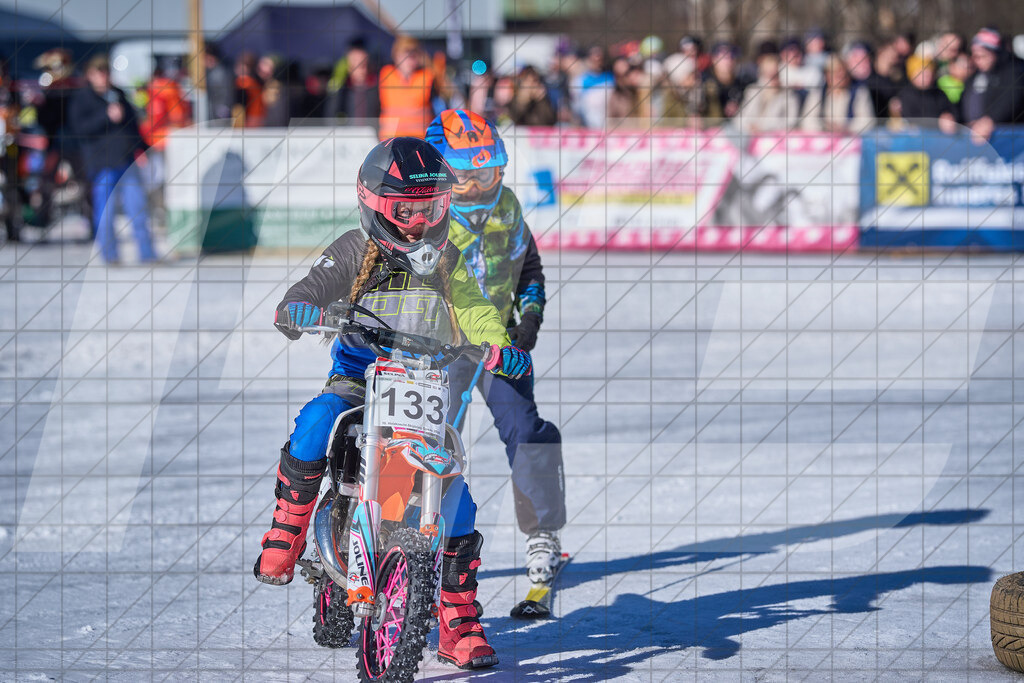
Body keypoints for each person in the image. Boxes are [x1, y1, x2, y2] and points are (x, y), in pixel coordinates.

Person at [253, 136, 531, 670]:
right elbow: (313, 285)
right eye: (406, 210)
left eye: (431, 208)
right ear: (375, 204)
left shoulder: (447, 260)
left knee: (456, 498)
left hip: (422, 387)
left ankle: (457, 618)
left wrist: (499, 346)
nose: (419, 222)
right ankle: (287, 529)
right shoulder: (355, 249)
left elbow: (475, 311)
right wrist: (300, 308)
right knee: (316, 420)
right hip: (360, 379)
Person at [425, 110, 567, 585]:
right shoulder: (427, 214)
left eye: (487, 174)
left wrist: (529, 319)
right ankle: (413, 536)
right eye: (466, 178)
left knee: (526, 429)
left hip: (497, 343)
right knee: (429, 440)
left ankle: (543, 530)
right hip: (438, 347)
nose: (479, 187)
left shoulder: (506, 207)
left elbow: (529, 270)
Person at [70, 55, 155, 264]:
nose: (103, 76)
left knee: (138, 208)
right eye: (98, 72)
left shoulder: (117, 94)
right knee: (106, 212)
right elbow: (80, 130)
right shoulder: (82, 98)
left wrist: (144, 149)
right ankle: (110, 255)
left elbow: (132, 126)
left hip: (126, 160)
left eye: (106, 72)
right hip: (102, 163)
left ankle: (147, 253)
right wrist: (106, 117)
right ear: (90, 75)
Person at [962, 28, 1024, 142]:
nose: (978, 60)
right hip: (974, 138)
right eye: (975, 56)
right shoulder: (974, 75)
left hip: (1007, 140)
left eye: (983, 56)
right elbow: (962, 100)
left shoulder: (1013, 71)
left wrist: (991, 120)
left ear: (994, 53)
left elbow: (1011, 98)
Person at [799, 55, 875, 134]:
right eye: (835, 73)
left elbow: (867, 121)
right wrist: (824, 127)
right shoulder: (817, 93)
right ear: (827, 75)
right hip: (822, 139)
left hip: (850, 138)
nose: (840, 77)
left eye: (843, 73)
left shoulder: (859, 92)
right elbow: (807, 121)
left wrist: (846, 128)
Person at [378, 35, 436, 139]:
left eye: (413, 54)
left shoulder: (427, 76)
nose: (409, 59)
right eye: (406, 53)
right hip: (391, 140)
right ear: (396, 55)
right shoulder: (386, 74)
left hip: (419, 140)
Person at [737, 42, 800, 133]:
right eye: (769, 75)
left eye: (775, 74)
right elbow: (740, 119)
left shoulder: (788, 95)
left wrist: (762, 127)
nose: (772, 79)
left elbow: (791, 122)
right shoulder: (753, 91)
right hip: (750, 138)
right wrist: (749, 127)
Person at [896, 52, 957, 133]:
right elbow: (911, 121)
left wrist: (949, 117)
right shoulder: (906, 95)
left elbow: (953, 111)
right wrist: (938, 122)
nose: (928, 75)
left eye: (929, 71)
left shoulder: (939, 93)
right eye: (922, 72)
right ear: (912, 75)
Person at [204, 44, 235, 122]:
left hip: (219, 115)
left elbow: (228, 94)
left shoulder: (222, 73)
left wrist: (224, 108)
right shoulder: (208, 72)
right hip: (213, 113)